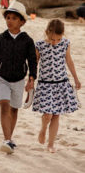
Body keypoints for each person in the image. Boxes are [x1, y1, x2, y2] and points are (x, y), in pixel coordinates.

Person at [0, 1, 37, 154]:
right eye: (8, 17)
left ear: (22, 22)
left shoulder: (28, 41)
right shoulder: (0, 39)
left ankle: (10, 138)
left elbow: (32, 61)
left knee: (14, 109)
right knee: (4, 105)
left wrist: (32, 78)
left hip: (19, 80)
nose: (9, 21)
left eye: (13, 18)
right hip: (2, 78)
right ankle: (6, 139)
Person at [32, 19, 81, 153]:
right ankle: (43, 130)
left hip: (61, 84)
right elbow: (34, 64)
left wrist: (76, 79)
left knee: (56, 115)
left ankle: (51, 144)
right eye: (52, 39)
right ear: (47, 33)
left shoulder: (65, 44)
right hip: (45, 85)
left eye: (57, 39)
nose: (54, 42)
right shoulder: (40, 45)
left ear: (62, 35)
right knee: (47, 114)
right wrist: (30, 80)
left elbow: (69, 61)